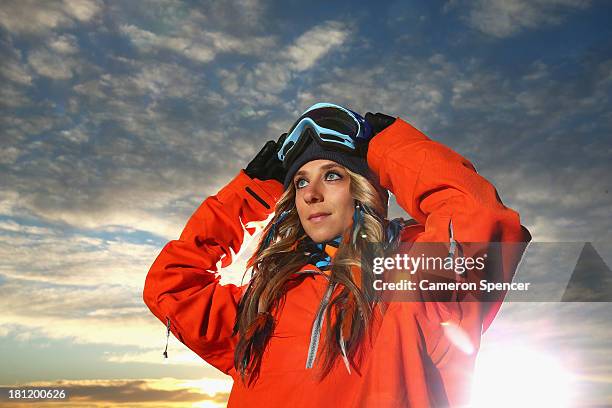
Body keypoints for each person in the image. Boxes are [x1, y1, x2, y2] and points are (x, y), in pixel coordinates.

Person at [143, 103, 532, 407]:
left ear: (366, 188)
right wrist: (247, 195)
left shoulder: (412, 279)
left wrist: (390, 146)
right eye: (299, 182)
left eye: (332, 175)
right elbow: (172, 285)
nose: (311, 193)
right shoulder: (267, 301)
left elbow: (482, 220)